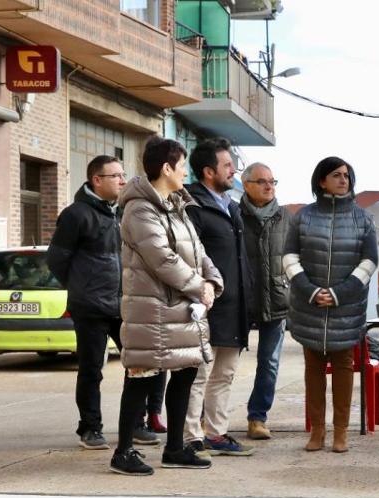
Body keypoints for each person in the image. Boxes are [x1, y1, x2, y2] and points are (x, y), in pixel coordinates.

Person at [111, 136, 223, 476]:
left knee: (186, 372)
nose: (186, 171)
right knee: (141, 376)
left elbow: (199, 251)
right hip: (153, 309)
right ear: (166, 168)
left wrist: (212, 282)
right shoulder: (140, 208)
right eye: (182, 165)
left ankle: (176, 448)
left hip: (182, 307)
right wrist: (197, 286)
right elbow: (161, 257)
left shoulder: (176, 205)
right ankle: (123, 452)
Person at [47, 155, 159, 450]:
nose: (123, 181)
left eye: (124, 175)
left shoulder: (122, 213)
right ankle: (90, 428)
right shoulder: (75, 215)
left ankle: (137, 424)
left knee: (140, 365)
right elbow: (57, 259)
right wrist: (81, 287)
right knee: (91, 369)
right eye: (116, 176)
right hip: (91, 307)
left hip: (125, 305)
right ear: (97, 180)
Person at [281, 156, 378, 453]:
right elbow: (289, 258)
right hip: (309, 307)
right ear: (321, 180)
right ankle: (317, 432)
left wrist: (339, 294)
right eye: (336, 175)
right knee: (313, 371)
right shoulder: (304, 217)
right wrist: (311, 292)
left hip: (345, 309)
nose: (343, 180)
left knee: (344, 368)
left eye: (347, 175)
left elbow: (369, 261)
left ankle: (341, 433)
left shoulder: (362, 219)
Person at [182, 138, 255, 459]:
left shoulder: (232, 206)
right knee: (198, 375)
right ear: (209, 172)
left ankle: (216, 433)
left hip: (235, 306)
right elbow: (187, 257)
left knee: (224, 375)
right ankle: (190, 437)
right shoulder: (192, 206)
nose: (233, 171)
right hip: (205, 307)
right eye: (227, 166)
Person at [239, 162, 293, 441]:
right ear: (246, 184)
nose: (269, 185)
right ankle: (204, 417)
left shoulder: (285, 218)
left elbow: (296, 259)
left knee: (269, 362)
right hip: (240, 298)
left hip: (276, 297)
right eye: (262, 181)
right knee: (222, 362)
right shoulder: (233, 215)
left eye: (272, 181)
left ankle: (257, 418)